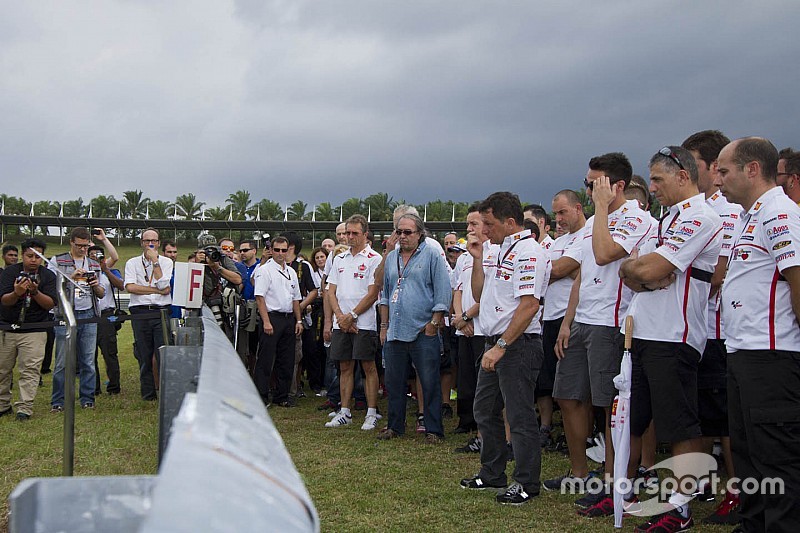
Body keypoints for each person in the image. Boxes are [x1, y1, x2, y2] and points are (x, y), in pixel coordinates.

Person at [619, 145, 723, 530]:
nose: (653, 188)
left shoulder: (702, 216)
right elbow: (633, 270)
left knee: (679, 424)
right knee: (634, 418)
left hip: (674, 336)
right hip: (644, 332)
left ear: (683, 175)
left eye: (659, 180)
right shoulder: (667, 219)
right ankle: (624, 495)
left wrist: (643, 271)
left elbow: (656, 266)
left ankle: (681, 507)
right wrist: (639, 271)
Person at [550, 153, 653, 511]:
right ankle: (581, 471)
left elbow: (606, 252)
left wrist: (602, 210)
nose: (589, 189)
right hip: (583, 321)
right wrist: (567, 322)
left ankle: (615, 485)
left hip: (612, 324)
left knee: (611, 409)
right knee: (567, 395)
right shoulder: (599, 218)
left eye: (594, 184)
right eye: (588, 183)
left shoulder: (636, 219)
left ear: (617, 186)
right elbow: (582, 273)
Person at [715, 137, 800, 532]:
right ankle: (754, 524)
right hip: (744, 352)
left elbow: (797, 280)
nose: (717, 179)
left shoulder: (780, 213)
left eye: (724, 170)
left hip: (772, 354)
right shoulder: (751, 215)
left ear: (752, 169)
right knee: (748, 450)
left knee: (776, 456)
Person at [459, 192, 548, 505]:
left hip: (517, 344)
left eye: (489, 223)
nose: (484, 230)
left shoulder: (529, 252)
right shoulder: (497, 249)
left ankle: (526, 482)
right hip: (495, 341)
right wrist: (476, 259)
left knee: (520, 414)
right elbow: (480, 293)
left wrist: (501, 345)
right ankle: (492, 471)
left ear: (511, 222)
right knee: (484, 408)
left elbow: (529, 305)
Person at [683, 129, 743, 525]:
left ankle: (738, 492)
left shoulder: (727, 210)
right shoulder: (699, 207)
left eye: (693, 164)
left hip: (723, 328)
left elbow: (719, 272)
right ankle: (702, 481)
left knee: (727, 419)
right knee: (704, 411)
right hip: (701, 329)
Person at [378, 213, 451, 442]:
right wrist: (384, 326)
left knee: (429, 382)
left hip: (423, 330)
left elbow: (443, 292)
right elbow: (386, 294)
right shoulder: (392, 258)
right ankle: (394, 426)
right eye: (399, 232)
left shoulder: (432, 255)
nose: (402, 236)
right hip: (396, 330)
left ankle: (433, 429)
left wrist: (433, 324)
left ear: (420, 234)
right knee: (394, 381)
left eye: (407, 232)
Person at [538, 190, 586, 448]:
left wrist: (555, 270)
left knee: (575, 389)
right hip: (551, 317)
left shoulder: (586, 236)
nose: (558, 218)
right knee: (554, 383)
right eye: (555, 213)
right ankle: (564, 435)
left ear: (578, 208)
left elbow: (555, 269)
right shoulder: (559, 242)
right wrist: (559, 270)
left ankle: (582, 438)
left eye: (562, 212)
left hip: (573, 318)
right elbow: (551, 270)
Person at [325, 215, 382, 430]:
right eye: (347, 233)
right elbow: (331, 290)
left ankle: (371, 412)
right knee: (345, 366)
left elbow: (372, 293)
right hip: (342, 323)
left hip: (364, 323)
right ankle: (345, 411)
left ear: (365, 234)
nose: (349, 237)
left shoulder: (374, 258)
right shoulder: (339, 259)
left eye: (354, 233)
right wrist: (340, 316)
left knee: (368, 366)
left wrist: (353, 316)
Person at [49, 227, 106, 411]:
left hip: (89, 314)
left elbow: (102, 293)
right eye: (79, 245)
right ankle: (58, 401)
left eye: (85, 246)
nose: (82, 249)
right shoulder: (57, 261)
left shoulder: (94, 263)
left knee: (88, 360)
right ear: (71, 242)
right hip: (66, 313)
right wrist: (69, 278)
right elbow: (51, 290)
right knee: (62, 361)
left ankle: (87, 398)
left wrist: (95, 285)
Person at [0, 238, 57, 420]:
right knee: (2, 369)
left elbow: (49, 304)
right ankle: (2, 404)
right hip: (7, 328)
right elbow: (4, 301)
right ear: (22, 255)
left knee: (30, 370)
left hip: (35, 329)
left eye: (38, 257)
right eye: (29, 256)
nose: (33, 260)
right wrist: (17, 293)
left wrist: (34, 292)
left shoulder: (48, 276)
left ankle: (25, 408)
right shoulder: (9, 273)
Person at [253, 236, 303, 407]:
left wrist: (299, 320)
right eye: (277, 250)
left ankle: (282, 396)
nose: (281, 253)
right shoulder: (265, 270)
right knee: (266, 359)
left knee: (287, 359)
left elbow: (296, 298)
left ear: (289, 250)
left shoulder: (291, 272)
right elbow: (260, 298)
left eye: (284, 250)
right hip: (272, 317)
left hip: (289, 318)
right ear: (271, 250)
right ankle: (261, 396)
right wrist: (266, 322)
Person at [124, 227, 172, 401]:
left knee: (162, 353)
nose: (150, 244)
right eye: (147, 241)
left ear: (158, 243)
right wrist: (157, 290)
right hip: (140, 311)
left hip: (160, 311)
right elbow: (130, 287)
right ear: (141, 243)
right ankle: (148, 393)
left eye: (154, 241)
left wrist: (155, 262)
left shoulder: (166, 262)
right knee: (144, 353)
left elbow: (165, 286)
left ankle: (165, 391)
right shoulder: (132, 263)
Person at [89, 244, 123, 396]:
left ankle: (114, 386)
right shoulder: (84, 272)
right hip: (88, 315)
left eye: (99, 256)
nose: (95, 258)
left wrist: (105, 269)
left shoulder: (108, 272)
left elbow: (121, 286)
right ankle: (93, 387)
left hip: (106, 315)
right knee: (89, 354)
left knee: (109, 353)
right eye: (92, 256)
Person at [237, 239, 261, 372]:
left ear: (254, 251)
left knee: (254, 347)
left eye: (245, 250)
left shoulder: (261, 265)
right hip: (240, 309)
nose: (242, 253)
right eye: (240, 250)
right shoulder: (237, 266)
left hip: (257, 310)